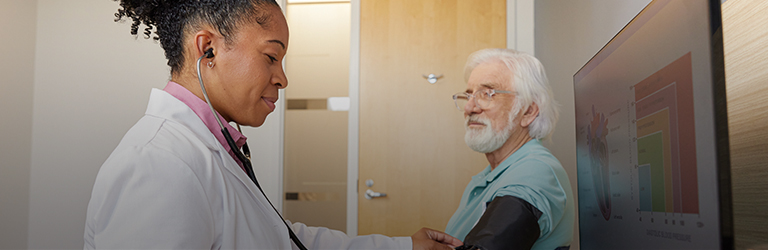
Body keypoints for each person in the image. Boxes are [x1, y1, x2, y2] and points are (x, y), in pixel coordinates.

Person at [84, 0, 461, 249]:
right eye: (271, 56)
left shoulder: (208, 150)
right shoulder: (159, 165)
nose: (282, 78)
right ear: (207, 49)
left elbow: (283, 239)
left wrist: (405, 247)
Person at [446, 48, 575, 250]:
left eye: (487, 94)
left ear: (528, 111)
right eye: (469, 95)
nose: (470, 108)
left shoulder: (534, 173)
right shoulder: (493, 175)